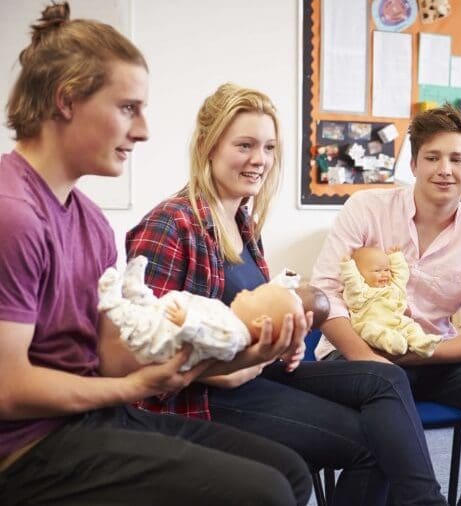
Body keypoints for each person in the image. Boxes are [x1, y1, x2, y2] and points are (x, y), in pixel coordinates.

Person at [0, 4, 310, 505]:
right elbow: (8, 390)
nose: (143, 130)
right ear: (65, 101)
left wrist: (237, 352)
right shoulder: (12, 214)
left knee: (288, 472)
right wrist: (133, 388)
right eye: (128, 108)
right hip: (27, 449)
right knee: (265, 492)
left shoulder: (90, 221)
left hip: (93, 419)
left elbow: (108, 357)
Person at [126, 82, 446, 506]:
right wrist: (225, 370)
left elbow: (251, 321)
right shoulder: (171, 224)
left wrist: (284, 340)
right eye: (245, 145)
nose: (259, 160)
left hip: (255, 374)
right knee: (374, 445)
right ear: (207, 145)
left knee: (386, 377)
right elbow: (142, 348)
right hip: (205, 395)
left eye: (269, 147)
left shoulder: (243, 223)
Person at [311, 104, 461, 506]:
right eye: (432, 157)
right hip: (356, 356)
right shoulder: (366, 209)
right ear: (414, 163)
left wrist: (419, 354)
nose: (444, 169)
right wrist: (369, 357)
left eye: (457, 159)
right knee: (387, 391)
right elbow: (326, 295)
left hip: (431, 357)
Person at [99, 255, 304, 369]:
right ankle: (136, 291)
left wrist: (188, 321)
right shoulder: (233, 319)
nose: (244, 291)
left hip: (163, 341)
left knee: (138, 322)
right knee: (151, 307)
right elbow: (275, 293)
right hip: (170, 321)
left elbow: (210, 339)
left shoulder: (235, 335)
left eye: (252, 295)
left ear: (260, 321)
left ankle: (112, 304)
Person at [341, 246, 442, 356]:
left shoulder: (394, 288)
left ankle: (421, 344)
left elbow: (402, 275)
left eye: (387, 269)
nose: (385, 274)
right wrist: (348, 267)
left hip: (397, 323)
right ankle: (392, 344)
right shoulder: (361, 293)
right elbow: (352, 282)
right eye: (377, 270)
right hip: (369, 324)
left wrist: (396, 257)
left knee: (412, 326)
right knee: (371, 331)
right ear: (359, 274)